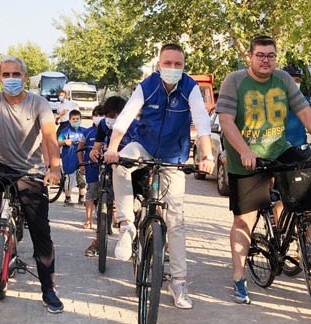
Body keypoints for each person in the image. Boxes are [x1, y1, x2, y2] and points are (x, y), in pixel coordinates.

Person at [216, 36, 311, 304]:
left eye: (270, 55)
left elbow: (305, 113)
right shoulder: (234, 81)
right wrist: (245, 150)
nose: (266, 60)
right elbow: (225, 120)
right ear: (250, 56)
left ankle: (305, 238)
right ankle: (239, 278)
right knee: (243, 221)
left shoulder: (282, 79)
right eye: (260, 55)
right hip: (245, 159)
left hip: (279, 149)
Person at [103, 43, 215, 310]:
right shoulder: (148, 85)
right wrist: (112, 148)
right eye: (168, 63)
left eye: (178, 64)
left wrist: (207, 155)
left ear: (184, 65)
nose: (173, 68)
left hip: (173, 157)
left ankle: (179, 284)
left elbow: (201, 121)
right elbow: (126, 117)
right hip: (143, 146)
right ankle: (126, 225)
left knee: (176, 222)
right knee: (121, 165)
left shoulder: (190, 88)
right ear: (159, 63)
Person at [0, 56, 64, 313]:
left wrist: (55, 167)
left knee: (41, 230)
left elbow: (50, 136)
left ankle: (48, 289)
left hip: (31, 169)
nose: (11, 79)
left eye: (16, 74)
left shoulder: (38, 103)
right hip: (2, 164)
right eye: (6, 74)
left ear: (25, 77)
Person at [79, 105, 104, 253]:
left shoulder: (109, 130)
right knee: (91, 193)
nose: (98, 117)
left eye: (101, 115)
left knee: (110, 196)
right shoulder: (87, 132)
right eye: (96, 114)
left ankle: (113, 220)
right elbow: (81, 148)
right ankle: (88, 219)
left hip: (107, 168)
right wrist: (82, 163)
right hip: (92, 168)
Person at [58, 110, 86, 207]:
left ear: (80, 119)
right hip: (69, 159)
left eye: (77, 119)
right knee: (69, 179)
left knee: (82, 179)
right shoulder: (65, 131)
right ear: (69, 120)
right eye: (73, 119)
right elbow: (57, 143)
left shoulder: (84, 131)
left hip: (81, 159)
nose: (75, 121)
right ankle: (68, 199)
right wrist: (65, 141)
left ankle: (81, 198)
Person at [282, 65, 311, 148]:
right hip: (279, 151)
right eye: (291, 81)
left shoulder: (305, 101)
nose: (295, 83)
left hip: (301, 148)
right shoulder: (272, 102)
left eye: (297, 80)